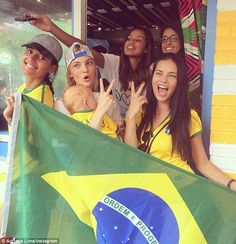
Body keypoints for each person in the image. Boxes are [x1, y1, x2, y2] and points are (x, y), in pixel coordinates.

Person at [124, 53, 236, 191]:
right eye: (159, 73)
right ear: (152, 78)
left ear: (179, 83)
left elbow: (203, 164)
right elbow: (130, 158)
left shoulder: (188, 116)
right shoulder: (140, 112)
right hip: (150, 190)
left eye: (171, 76)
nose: (163, 80)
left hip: (182, 189)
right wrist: (129, 118)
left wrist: (232, 184)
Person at [28, 14, 155, 119]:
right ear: (70, 73)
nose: (131, 42)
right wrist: (51, 28)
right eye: (129, 38)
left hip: (140, 125)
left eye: (138, 40)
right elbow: (83, 49)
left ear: (146, 49)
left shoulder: (154, 70)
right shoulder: (114, 63)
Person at [54, 42, 122, 127]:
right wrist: (100, 111)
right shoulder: (62, 105)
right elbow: (72, 139)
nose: (85, 69)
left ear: (95, 69)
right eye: (77, 65)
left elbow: (119, 134)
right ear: (70, 74)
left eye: (89, 63)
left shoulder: (108, 100)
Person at [3, 34, 62, 124]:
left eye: (42, 57)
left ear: (52, 68)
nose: (32, 57)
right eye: (30, 51)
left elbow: (34, 136)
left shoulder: (40, 98)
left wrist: (10, 119)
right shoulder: (24, 88)